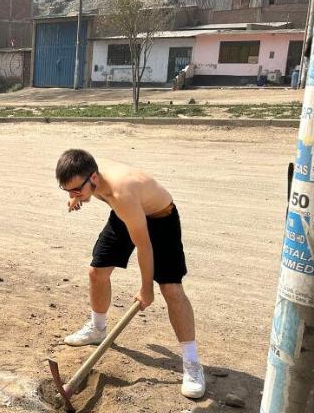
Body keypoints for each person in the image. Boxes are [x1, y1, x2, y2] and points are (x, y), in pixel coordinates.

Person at [55, 148, 205, 399]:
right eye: (68, 191)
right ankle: (97, 329)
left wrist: (146, 288)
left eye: (76, 190)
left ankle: (192, 363)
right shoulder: (87, 171)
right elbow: (86, 190)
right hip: (126, 214)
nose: (73, 195)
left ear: (93, 178)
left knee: (170, 288)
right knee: (97, 271)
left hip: (160, 217)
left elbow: (144, 246)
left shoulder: (120, 192)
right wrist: (77, 196)